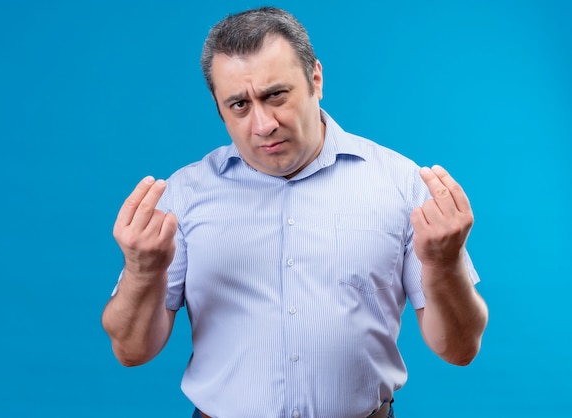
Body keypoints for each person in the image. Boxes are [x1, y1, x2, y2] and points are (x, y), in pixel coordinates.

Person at [101, 6, 488, 418]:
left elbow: (460, 349)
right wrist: (143, 272)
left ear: (315, 79)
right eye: (239, 105)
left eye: (275, 95)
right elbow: (131, 351)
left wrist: (445, 265)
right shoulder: (184, 194)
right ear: (218, 107)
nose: (263, 123)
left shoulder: (402, 183)